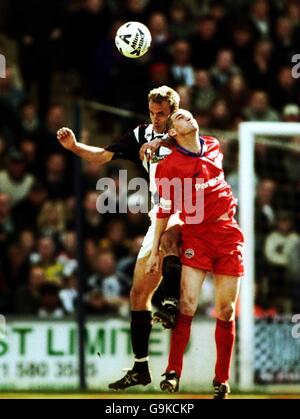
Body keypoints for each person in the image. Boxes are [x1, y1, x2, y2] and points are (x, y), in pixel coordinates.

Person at [57, 86, 182, 389]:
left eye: (162, 113)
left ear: (173, 111)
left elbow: (194, 137)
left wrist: (164, 140)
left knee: (168, 242)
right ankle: (141, 368)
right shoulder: (141, 134)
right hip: (159, 214)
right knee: (138, 295)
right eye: (152, 112)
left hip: (189, 208)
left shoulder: (185, 130)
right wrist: (74, 147)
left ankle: (169, 301)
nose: (156, 118)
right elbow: (102, 157)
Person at [146, 109, 244, 399]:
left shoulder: (213, 144)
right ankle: (173, 372)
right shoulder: (169, 166)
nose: (187, 118)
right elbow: (163, 211)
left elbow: (178, 141)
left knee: (225, 310)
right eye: (180, 118)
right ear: (173, 132)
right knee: (186, 305)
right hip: (196, 235)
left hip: (227, 233)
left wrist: (160, 141)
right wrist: (154, 253)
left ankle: (221, 380)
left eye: (188, 115)